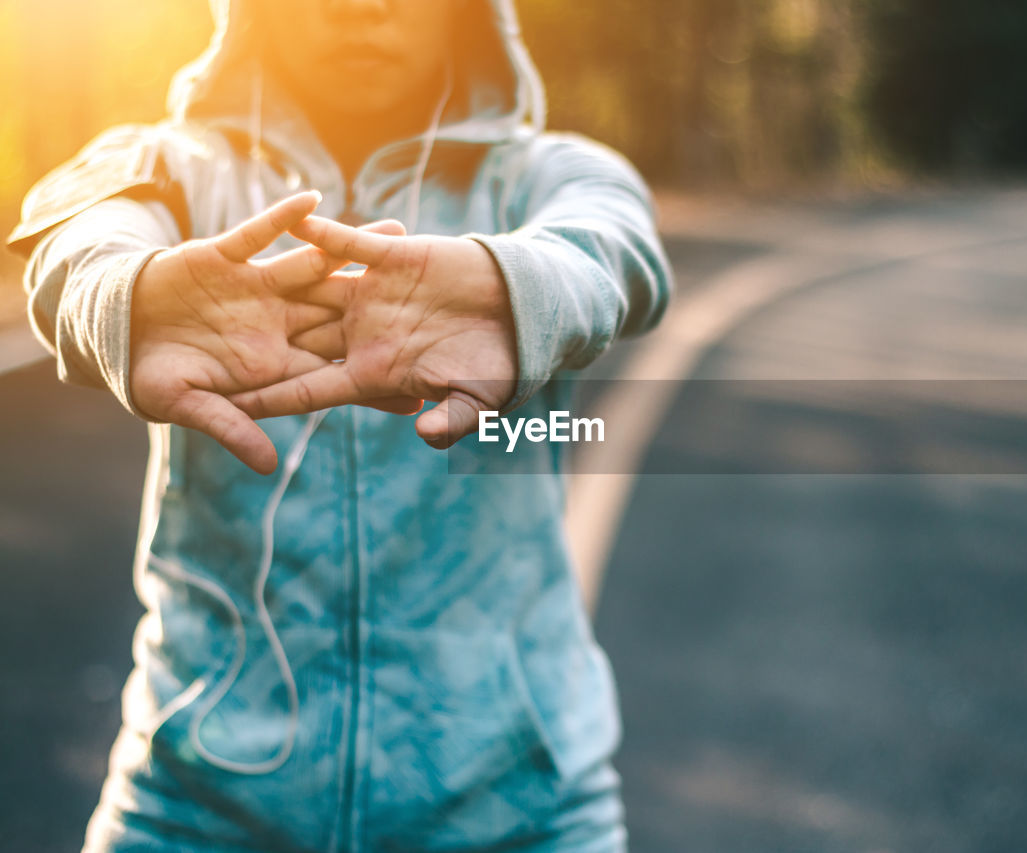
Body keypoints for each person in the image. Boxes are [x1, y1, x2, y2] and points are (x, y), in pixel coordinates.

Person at [7, 1, 672, 851]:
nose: (363, 6)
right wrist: (123, 297)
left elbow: (616, 246)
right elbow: (76, 222)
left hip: (521, 811)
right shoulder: (169, 165)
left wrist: (516, 289)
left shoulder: (546, 173)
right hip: (193, 808)